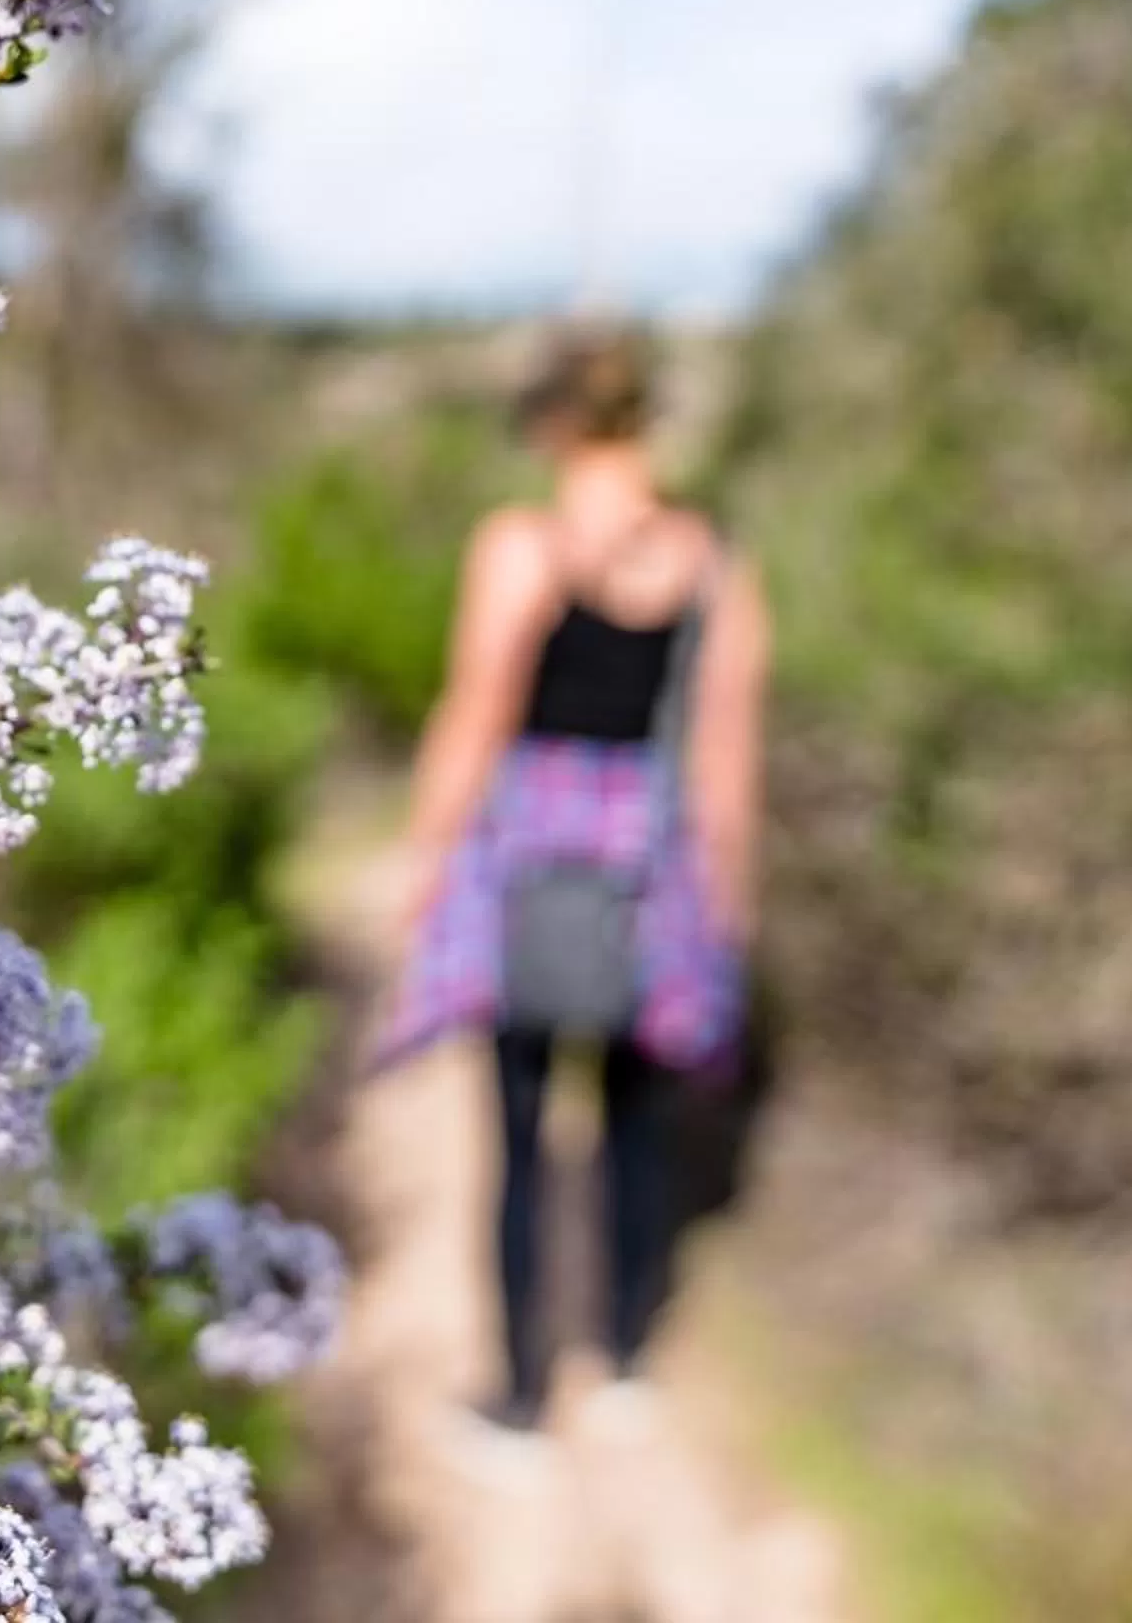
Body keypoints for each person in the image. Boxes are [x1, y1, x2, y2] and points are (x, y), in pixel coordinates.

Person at [381, 327, 770, 1434]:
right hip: (655, 862)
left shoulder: (523, 546)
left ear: (552, 423)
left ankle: (519, 1393)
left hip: (529, 857)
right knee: (638, 1123)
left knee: (520, 1138)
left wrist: (425, 859)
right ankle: (626, 1360)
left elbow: (475, 713)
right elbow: (726, 753)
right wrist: (729, 898)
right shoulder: (714, 561)